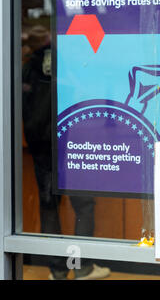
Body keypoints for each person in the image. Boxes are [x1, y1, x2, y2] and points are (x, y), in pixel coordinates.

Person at [22, 25, 111, 280]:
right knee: (83, 203)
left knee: (49, 205)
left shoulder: (32, 63)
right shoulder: (72, 60)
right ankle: (82, 267)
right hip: (71, 140)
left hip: (41, 144)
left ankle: (58, 270)